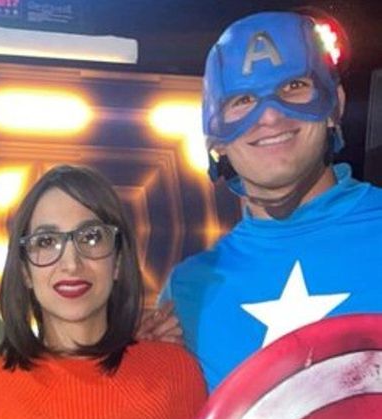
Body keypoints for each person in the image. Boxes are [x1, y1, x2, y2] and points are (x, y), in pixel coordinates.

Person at [161, 11, 382, 392]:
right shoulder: (186, 293)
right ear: (215, 138)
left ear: (335, 104)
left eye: (294, 86)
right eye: (242, 99)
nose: (271, 116)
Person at [0, 165, 206, 419]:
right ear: (24, 271)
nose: (71, 263)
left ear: (117, 261)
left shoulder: (175, 372)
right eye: (46, 241)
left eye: (91, 238)